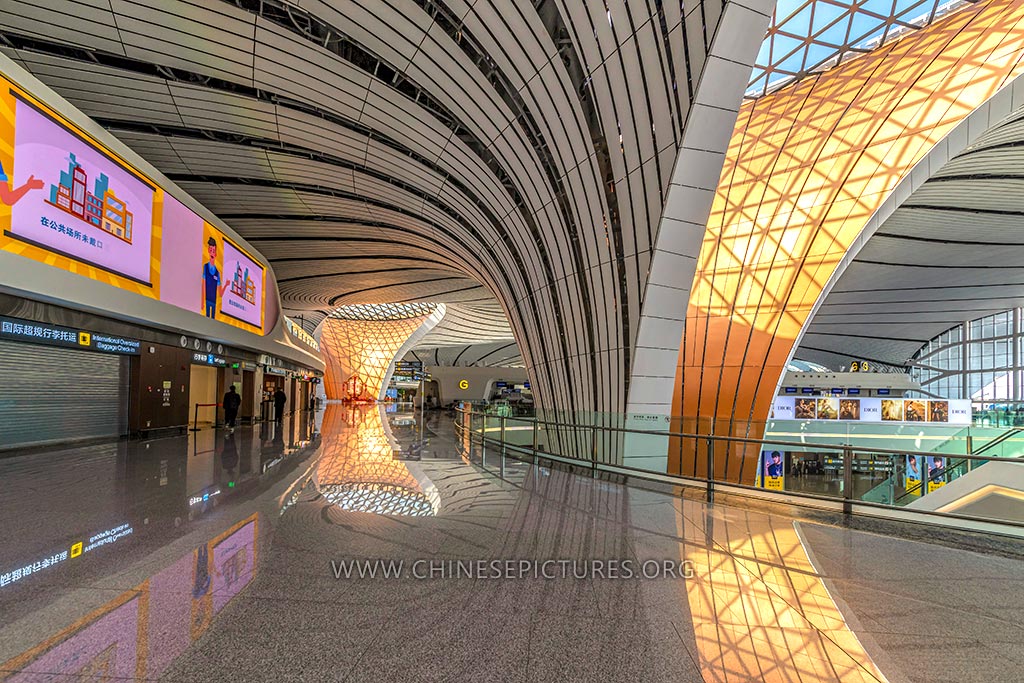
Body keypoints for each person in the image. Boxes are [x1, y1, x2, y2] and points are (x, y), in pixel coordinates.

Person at [202, 236, 229, 318]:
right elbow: (203, 285)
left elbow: (220, 293)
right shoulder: (205, 267)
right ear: (208, 251)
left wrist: (226, 285)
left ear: (216, 254)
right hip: (206, 300)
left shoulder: (217, 273)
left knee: (212, 320)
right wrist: (202, 302)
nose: (212, 253)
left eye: (213, 251)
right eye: (210, 250)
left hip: (214, 302)